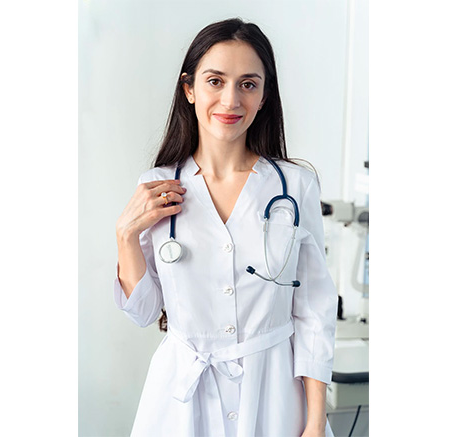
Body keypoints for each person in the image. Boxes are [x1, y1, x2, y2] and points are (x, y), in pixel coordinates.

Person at [114, 18, 337, 437]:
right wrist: (125, 235)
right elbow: (143, 311)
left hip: (274, 393)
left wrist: (313, 421)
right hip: (181, 401)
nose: (231, 99)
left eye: (248, 84)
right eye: (215, 81)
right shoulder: (156, 187)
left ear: (264, 95)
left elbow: (314, 312)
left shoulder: (295, 185)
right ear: (190, 88)